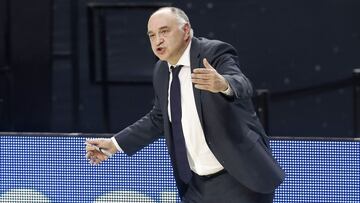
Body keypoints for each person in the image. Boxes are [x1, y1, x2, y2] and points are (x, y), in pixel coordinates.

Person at [86, 6, 285, 203]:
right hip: (195, 187)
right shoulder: (161, 70)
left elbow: (242, 83)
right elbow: (159, 117)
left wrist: (223, 84)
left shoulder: (213, 52)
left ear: (186, 30)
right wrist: (114, 144)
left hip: (240, 181)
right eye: (152, 35)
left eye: (164, 31)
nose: (158, 40)